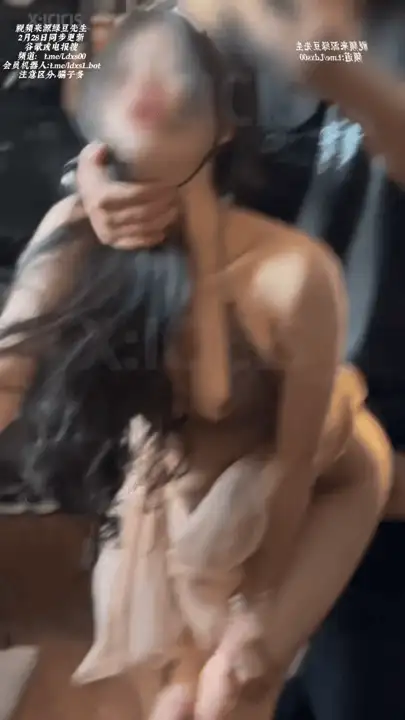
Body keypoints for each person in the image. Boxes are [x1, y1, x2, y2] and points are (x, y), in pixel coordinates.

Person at [0, 5, 392, 720]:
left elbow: (332, 66)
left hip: (347, 418)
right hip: (216, 424)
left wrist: (342, 71)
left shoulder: (324, 44)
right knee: (194, 682)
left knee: (314, 681)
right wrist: (94, 172)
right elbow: (51, 64)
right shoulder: (209, 36)